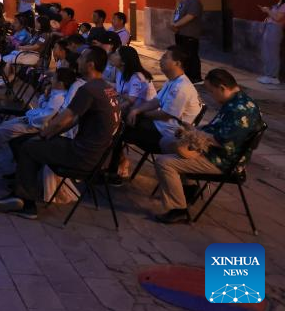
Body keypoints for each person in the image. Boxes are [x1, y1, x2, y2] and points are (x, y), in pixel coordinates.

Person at [0, 47, 120, 220]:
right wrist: (50, 135)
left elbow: (63, 119)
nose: (77, 61)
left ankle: (26, 204)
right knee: (25, 141)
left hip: (82, 155)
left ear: (90, 65)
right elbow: (72, 121)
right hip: (95, 154)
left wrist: (44, 135)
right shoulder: (105, 87)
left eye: (81, 58)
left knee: (29, 147)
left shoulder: (88, 90)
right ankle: (22, 190)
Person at [153, 69, 263, 224]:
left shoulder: (240, 110)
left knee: (163, 163)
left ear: (222, 88)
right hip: (215, 151)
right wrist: (191, 131)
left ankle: (179, 209)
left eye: (212, 92)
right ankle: (189, 187)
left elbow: (222, 142)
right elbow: (216, 129)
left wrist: (193, 135)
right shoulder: (235, 100)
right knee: (166, 142)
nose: (211, 96)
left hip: (223, 160)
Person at [106, 45, 203, 182]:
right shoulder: (173, 81)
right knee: (118, 123)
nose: (160, 59)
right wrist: (137, 110)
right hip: (159, 126)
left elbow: (165, 115)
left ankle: (113, 173)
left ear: (177, 63)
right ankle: (112, 168)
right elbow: (156, 101)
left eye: (165, 57)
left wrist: (138, 114)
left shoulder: (182, 87)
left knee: (119, 129)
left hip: (168, 134)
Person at [0, 68, 77, 159]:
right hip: (32, 120)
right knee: (3, 126)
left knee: (2, 130)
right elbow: (42, 106)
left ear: (61, 83)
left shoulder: (59, 98)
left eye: (54, 78)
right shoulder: (55, 93)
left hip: (35, 125)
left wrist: (28, 119)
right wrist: (45, 96)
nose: (51, 80)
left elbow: (45, 117)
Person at [170, 0, 203, 82]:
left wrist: (176, 24)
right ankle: (185, 76)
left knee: (191, 56)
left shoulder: (195, 2)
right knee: (182, 56)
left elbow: (190, 16)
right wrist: (173, 23)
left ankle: (195, 78)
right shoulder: (182, 1)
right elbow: (176, 13)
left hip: (190, 34)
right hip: (180, 33)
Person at [110, 46, 157, 112]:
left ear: (123, 62)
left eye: (116, 54)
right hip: (133, 109)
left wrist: (111, 111)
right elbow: (120, 88)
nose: (112, 55)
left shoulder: (137, 78)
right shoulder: (120, 72)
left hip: (146, 113)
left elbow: (130, 101)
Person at [257, 0, 285, 85]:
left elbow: (278, 18)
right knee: (266, 52)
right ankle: (268, 74)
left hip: (276, 30)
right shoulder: (277, 4)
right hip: (269, 29)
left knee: (272, 53)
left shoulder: (284, 6)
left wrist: (268, 11)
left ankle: (273, 76)